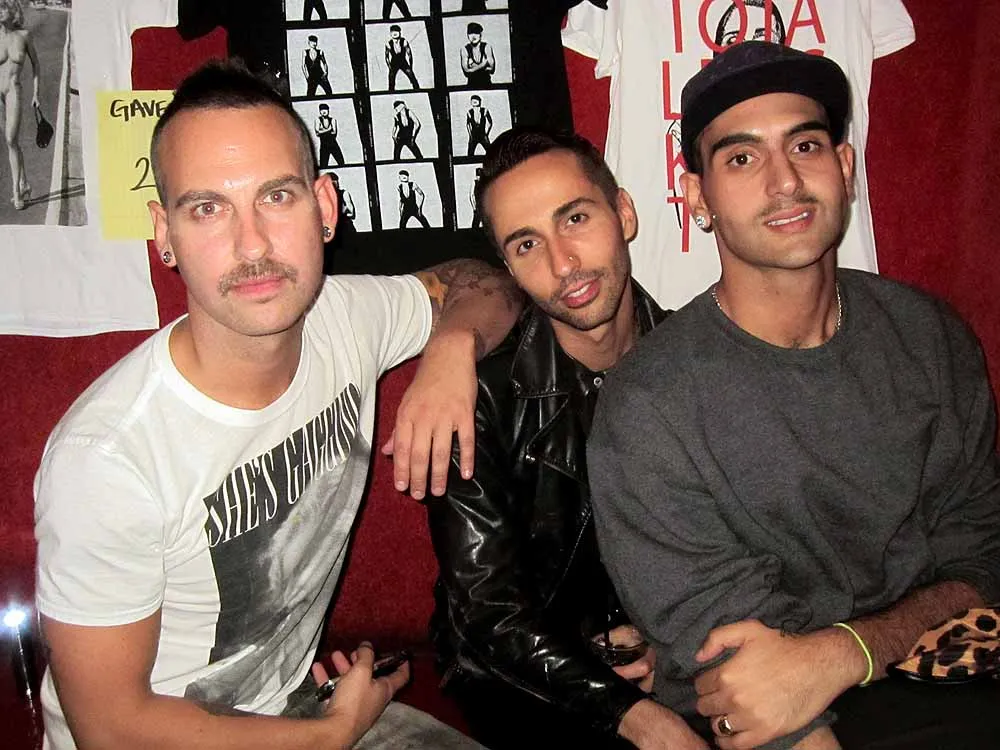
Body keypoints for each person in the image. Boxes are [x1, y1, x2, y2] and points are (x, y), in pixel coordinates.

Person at [34, 60, 525, 750]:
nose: (253, 244)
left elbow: (482, 280)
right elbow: (110, 730)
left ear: (324, 207)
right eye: (208, 208)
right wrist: (334, 732)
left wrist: (452, 348)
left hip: (293, 710)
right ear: (164, 234)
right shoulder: (107, 457)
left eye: (277, 196)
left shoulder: (344, 317)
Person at [588, 41, 1000, 750]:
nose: (784, 181)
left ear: (845, 167)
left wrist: (851, 650)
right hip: (769, 719)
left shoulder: (930, 337)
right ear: (697, 198)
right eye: (742, 158)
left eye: (805, 146)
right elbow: (747, 682)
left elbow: (982, 557)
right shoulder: (647, 410)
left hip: (940, 670)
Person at [427, 128, 708, 750]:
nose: (563, 264)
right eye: (527, 243)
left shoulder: (699, 366)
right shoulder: (477, 402)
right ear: (509, 267)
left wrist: (673, 641)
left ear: (624, 213)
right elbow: (490, 616)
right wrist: (635, 715)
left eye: (575, 218)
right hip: (517, 675)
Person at [0, 0, 40, 210]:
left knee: (10, 139)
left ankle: (16, 192)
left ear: (13, 10)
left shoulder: (24, 35)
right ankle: (24, 183)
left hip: (13, 90)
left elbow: (36, 64)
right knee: (11, 143)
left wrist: (36, 93)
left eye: (3, 8)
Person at [385, 24, 419, 92]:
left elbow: (409, 54)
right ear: (390, 33)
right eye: (393, 32)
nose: (395, 33)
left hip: (403, 61)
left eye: (396, 31)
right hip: (394, 62)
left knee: (411, 75)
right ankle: (391, 91)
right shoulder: (388, 43)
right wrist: (389, 67)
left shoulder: (404, 41)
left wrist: (410, 66)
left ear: (400, 33)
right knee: (391, 77)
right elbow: (386, 57)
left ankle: (417, 89)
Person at [460, 23, 494, 88]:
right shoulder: (464, 49)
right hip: (471, 85)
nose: (473, 36)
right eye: (470, 33)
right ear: (467, 35)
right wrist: (483, 65)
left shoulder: (487, 47)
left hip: (487, 84)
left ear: (480, 35)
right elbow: (467, 72)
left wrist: (472, 66)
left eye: (476, 33)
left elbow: (491, 69)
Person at [314, 103, 344, 167]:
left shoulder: (333, 120)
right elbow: (317, 132)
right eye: (322, 110)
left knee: (341, 162)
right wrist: (329, 129)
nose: (324, 111)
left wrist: (322, 131)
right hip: (324, 145)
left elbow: (334, 132)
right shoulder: (318, 120)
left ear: (328, 110)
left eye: (325, 109)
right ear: (320, 111)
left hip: (333, 144)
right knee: (323, 165)